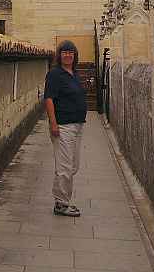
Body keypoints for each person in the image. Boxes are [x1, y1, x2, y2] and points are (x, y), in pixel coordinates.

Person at [43, 39, 87, 216]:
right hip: (63, 126)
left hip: (76, 126)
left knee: (73, 166)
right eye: (64, 52)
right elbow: (49, 99)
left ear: (75, 56)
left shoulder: (73, 73)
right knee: (65, 167)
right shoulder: (55, 74)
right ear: (59, 56)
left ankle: (62, 199)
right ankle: (61, 203)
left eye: (71, 53)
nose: (68, 55)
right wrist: (53, 124)